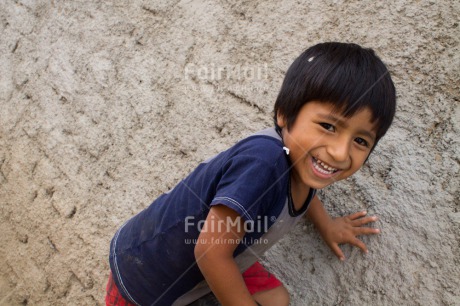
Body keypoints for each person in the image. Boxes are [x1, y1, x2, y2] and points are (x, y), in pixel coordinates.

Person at [106, 42, 396, 306]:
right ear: (285, 114)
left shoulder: (300, 160)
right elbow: (210, 252)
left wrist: (328, 226)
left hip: (215, 256)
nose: (340, 153)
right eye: (328, 126)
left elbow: (304, 193)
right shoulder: (264, 163)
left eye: (360, 141)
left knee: (276, 298)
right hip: (145, 276)